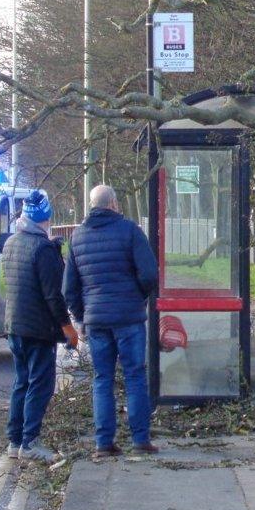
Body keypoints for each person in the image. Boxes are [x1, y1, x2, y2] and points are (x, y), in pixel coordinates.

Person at [64, 185, 159, 459]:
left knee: (102, 379)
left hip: (96, 321)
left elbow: (69, 287)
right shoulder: (130, 231)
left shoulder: (78, 237)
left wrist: (81, 317)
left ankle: (104, 442)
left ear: (92, 206)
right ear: (114, 203)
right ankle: (140, 439)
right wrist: (138, 297)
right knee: (135, 377)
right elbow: (150, 273)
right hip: (128, 317)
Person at [3, 191, 78, 462]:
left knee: (21, 382)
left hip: (14, 325)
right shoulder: (43, 248)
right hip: (38, 329)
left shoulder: (11, 243)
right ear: (46, 217)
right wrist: (68, 328)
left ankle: (15, 441)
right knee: (40, 384)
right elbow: (53, 295)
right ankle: (30, 442)